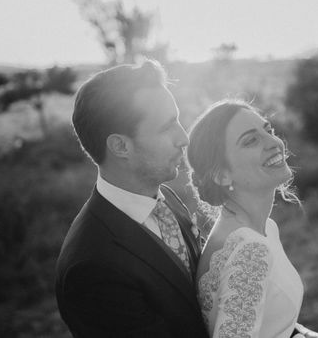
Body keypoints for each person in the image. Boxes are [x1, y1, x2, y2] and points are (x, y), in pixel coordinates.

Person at [55, 60, 209, 338]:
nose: (184, 138)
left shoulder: (165, 200)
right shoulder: (92, 268)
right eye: (167, 127)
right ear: (120, 146)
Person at [187, 100, 318, 338]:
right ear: (221, 175)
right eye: (251, 140)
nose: (274, 142)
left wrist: (302, 334)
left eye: (268, 130)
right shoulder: (250, 251)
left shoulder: (261, 229)